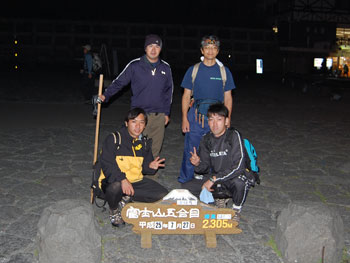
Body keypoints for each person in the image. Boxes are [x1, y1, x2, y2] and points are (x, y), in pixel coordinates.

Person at [98, 34, 174, 159]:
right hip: (139, 115)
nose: (153, 49)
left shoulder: (166, 67)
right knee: (135, 148)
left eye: (157, 46)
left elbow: (168, 91)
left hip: (158, 116)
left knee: (154, 149)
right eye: (150, 46)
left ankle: (152, 176)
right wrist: (106, 95)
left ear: (161, 49)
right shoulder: (135, 65)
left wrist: (166, 113)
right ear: (145, 48)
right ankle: (134, 176)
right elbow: (119, 82)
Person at [181, 103, 256, 222]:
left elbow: (239, 166)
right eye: (211, 120)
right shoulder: (206, 139)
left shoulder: (233, 135)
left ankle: (236, 210)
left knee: (240, 182)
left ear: (226, 121)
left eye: (219, 119)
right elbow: (204, 168)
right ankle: (218, 197)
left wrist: (213, 180)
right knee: (186, 188)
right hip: (217, 178)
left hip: (233, 176)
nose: (215, 124)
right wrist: (198, 163)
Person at [179, 35, 236, 184]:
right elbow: (186, 96)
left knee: (216, 150)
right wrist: (185, 117)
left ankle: (213, 182)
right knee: (191, 149)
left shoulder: (224, 72)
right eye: (207, 48)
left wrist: (227, 118)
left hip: (217, 118)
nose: (210, 51)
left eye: (214, 48)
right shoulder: (194, 70)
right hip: (196, 117)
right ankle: (186, 181)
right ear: (202, 50)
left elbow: (228, 97)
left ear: (218, 51)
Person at [100, 107, 168, 227]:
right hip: (113, 181)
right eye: (134, 122)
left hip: (135, 181)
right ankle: (114, 210)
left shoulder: (144, 143)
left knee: (163, 195)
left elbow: (145, 170)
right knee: (115, 187)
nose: (138, 127)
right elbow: (107, 164)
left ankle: (125, 198)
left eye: (141, 123)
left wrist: (151, 166)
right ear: (126, 123)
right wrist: (123, 179)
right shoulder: (115, 139)